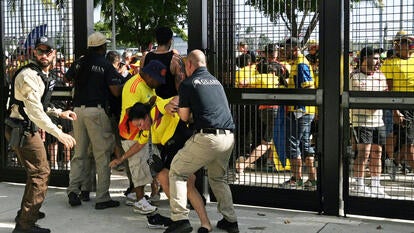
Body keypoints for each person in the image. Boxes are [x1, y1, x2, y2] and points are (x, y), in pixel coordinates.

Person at [5, 36, 77, 233]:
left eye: (48, 51)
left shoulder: (41, 74)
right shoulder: (28, 75)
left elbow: (39, 105)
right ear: (34, 53)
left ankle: (26, 214)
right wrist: (59, 133)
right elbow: (34, 111)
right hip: (23, 128)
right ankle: (25, 225)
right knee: (41, 173)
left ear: (54, 53)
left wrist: (59, 113)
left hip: (24, 126)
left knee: (35, 173)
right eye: (40, 51)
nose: (44, 55)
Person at [164, 50, 239, 233]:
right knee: (218, 178)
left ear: (189, 64)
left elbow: (183, 117)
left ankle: (180, 219)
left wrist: (174, 109)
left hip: (208, 137)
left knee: (177, 171)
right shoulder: (216, 82)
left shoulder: (188, 84)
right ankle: (230, 221)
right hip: (228, 137)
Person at [118, 97, 212, 231]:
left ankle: (204, 223)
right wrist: (121, 159)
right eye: (137, 126)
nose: (140, 128)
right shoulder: (146, 129)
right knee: (163, 177)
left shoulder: (156, 110)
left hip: (182, 143)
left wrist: (171, 105)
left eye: (140, 124)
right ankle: (179, 218)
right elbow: (139, 144)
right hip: (170, 150)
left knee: (189, 185)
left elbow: (178, 98)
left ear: (145, 116)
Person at [65, 31, 122, 209]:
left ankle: (74, 190)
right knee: (102, 155)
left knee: (80, 154)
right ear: (103, 47)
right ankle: (103, 198)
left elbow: (67, 78)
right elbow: (116, 91)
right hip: (96, 112)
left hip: (77, 111)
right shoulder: (105, 64)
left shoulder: (80, 61)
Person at [113, 60, 169, 214]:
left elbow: (154, 101)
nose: (158, 84)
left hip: (144, 134)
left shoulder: (148, 85)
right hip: (132, 134)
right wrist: (150, 108)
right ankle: (139, 201)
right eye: (157, 80)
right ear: (149, 75)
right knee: (138, 167)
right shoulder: (134, 86)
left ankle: (144, 195)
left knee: (148, 164)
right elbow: (132, 113)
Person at [350, 47, 389, 198]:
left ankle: (376, 184)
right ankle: (359, 184)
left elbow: (385, 96)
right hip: (361, 120)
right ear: (364, 59)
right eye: (375, 58)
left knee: (377, 153)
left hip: (378, 120)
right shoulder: (354, 76)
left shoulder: (381, 76)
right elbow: (363, 100)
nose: (378, 61)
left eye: (379, 58)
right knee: (363, 153)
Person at [279, 37, 317, 189]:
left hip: (300, 110)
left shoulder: (301, 64)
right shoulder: (295, 63)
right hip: (302, 110)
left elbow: (307, 88)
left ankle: (297, 178)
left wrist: (298, 109)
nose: (283, 51)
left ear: (294, 48)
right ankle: (312, 179)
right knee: (305, 145)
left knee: (292, 144)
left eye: (286, 48)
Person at [381, 32, 414, 177]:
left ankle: (393, 163)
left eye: (408, 42)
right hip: (402, 107)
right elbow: (389, 90)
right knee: (409, 143)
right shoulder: (390, 63)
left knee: (407, 141)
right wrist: (395, 110)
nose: (406, 45)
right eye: (403, 42)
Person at [140, 26, 186, 99]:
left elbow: (141, 80)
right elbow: (181, 89)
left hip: (150, 103)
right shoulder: (175, 60)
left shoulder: (145, 57)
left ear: (156, 39)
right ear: (170, 40)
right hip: (169, 105)